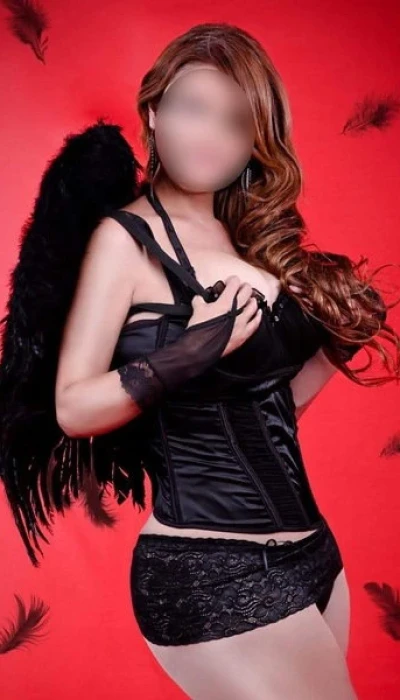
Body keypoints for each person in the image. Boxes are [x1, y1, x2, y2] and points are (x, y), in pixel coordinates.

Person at [1, 22, 399, 700]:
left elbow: (276, 410)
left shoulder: (249, 236)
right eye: (192, 109)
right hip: (209, 567)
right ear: (154, 113)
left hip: (314, 555)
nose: (210, 136)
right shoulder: (124, 239)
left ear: (256, 138)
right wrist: (189, 350)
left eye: (235, 121)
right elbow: (73, 407)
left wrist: (337, 343)